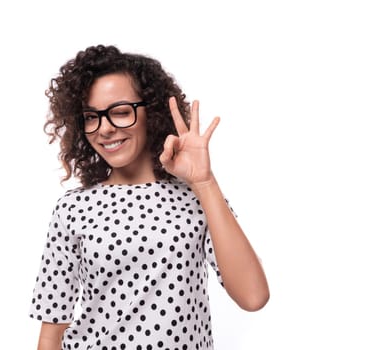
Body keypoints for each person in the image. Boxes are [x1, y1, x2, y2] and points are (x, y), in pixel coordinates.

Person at [28, 44, 269, 350]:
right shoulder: (73, 208)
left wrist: (204, 182)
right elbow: (51, 331)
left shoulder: (197, 199)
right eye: (92, 117)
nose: (104, 129)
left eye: (120, 112)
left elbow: (253, 296)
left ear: (150, 112)